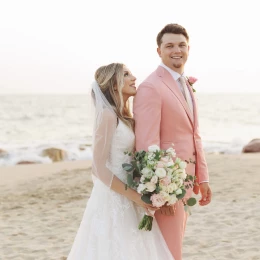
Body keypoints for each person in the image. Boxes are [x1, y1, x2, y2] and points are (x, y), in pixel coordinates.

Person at [67, 63, 174, 260]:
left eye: (132, 73)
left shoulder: (126, 116)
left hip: (131, 192)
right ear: (114, 85)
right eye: (126, 74)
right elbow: (98, 168)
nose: (134, 78)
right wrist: (136, 197)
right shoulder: (108, 116)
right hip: (112, 197)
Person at [134, 24, 212, 260]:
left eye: (181, 45)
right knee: (169, 252)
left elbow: (194, 134)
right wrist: (160, 193)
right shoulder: (151, 87)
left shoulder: (185, 83)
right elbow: (147, 144)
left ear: (188, 48)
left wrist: (203, 177)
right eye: (169, 46)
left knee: (172, 247)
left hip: (186, 182)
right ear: (159, 50)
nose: (176, 50)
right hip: (168, 186)